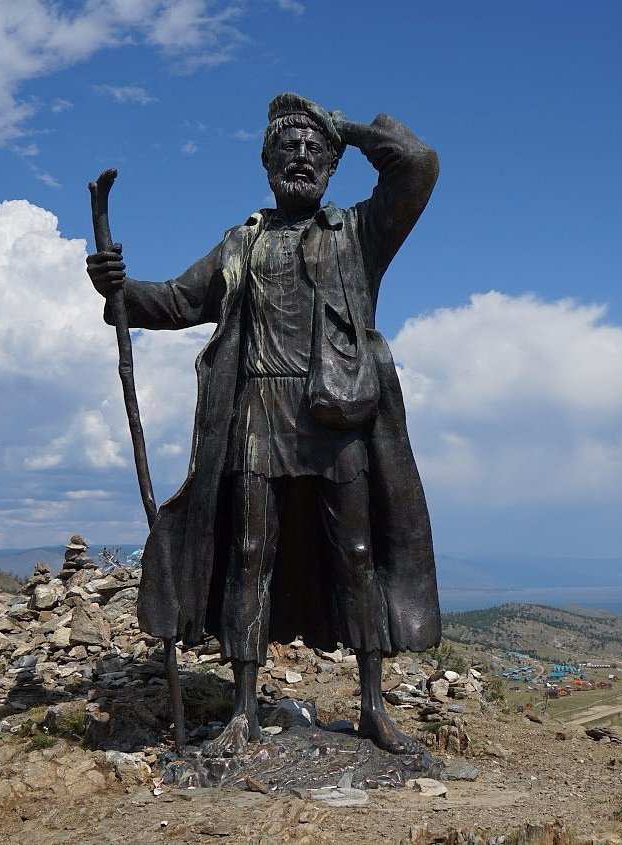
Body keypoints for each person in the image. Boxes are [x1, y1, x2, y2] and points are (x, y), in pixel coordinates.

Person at [86, 94, 440, 754]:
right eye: (288, 147)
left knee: (359, 559)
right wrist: (117, 289)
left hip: (339, 421)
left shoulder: (361, 233)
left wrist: (350, 128)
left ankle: (370, 705)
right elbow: (176, 301)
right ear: (267, 162)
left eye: (315, 149)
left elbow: (417, 164)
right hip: (257, 418)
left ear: (334, 164)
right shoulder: (240, 243)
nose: (301, 157)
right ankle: (244, 710)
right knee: (249, 560)